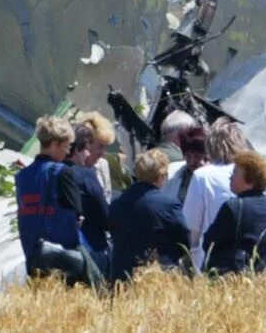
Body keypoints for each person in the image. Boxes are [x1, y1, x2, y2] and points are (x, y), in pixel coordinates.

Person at [16, 116, 94, 285]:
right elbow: (78, 214)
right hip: (63, 258)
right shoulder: (61, 172)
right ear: (54, 144)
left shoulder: (21, 176)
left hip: (33, 255)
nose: (68, 152)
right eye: (66, 146)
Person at [108, 149, 190, 282]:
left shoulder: (117, 202)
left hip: (122, 273)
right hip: (158, 274)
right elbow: (184, 239)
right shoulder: (168, 205)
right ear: (162, 175)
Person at [180, 119, 248, 271]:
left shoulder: (202, 176)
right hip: (246, 257)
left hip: (210, 258)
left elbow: (191, 225)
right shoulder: (249, 172)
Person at [203, 150, 266, 276]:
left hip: (237, 280)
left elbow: (210, 242)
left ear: (249, 178)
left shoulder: (234, 206)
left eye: (235, 173)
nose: (230, 177)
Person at [67, 122, 114, 276]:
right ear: (76, 150)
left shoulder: (53, 172)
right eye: (85, 149)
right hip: (93, 246)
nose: (87, 154)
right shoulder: (85, 175)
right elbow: (105, 217)